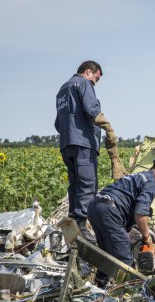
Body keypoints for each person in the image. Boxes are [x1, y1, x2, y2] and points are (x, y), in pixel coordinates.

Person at [55, 60, 125, 243]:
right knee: (87, 185)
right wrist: (108, 128)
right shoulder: (83, 83)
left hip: (66, 144)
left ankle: (72, 224)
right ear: (88, 72)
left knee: (75, 184)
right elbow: (92, 110)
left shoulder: (62, 89)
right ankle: (81, 226)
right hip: (83, 144)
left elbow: (57, 123)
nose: (96, 82)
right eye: (96, 78)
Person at [87, 159, 155, 285]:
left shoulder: (137, 176)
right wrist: (146, 237)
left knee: (107, 254)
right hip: (110, 211)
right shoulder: (152, 183)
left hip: (95, 207)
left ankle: (99, 288)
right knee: (125, 260)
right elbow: (141, 213)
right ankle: (132, 296)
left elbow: (130, 206)